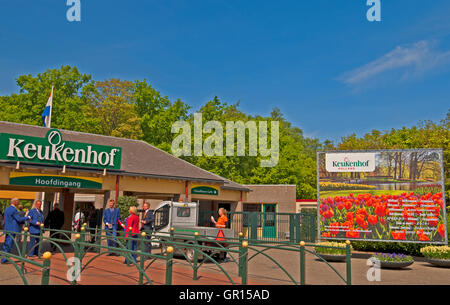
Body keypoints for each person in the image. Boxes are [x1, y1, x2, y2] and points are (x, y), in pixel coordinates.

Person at [1, 198, 31, 264]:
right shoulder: (14, 210)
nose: (18, 203)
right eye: (18, 202)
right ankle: (4, 259)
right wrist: (28, 217)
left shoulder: (7, 209)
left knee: (7, 243)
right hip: (12, 229)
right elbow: (19, 219)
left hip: (7, 228)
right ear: (15, 202)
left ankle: (4, 258)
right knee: (9, 244)